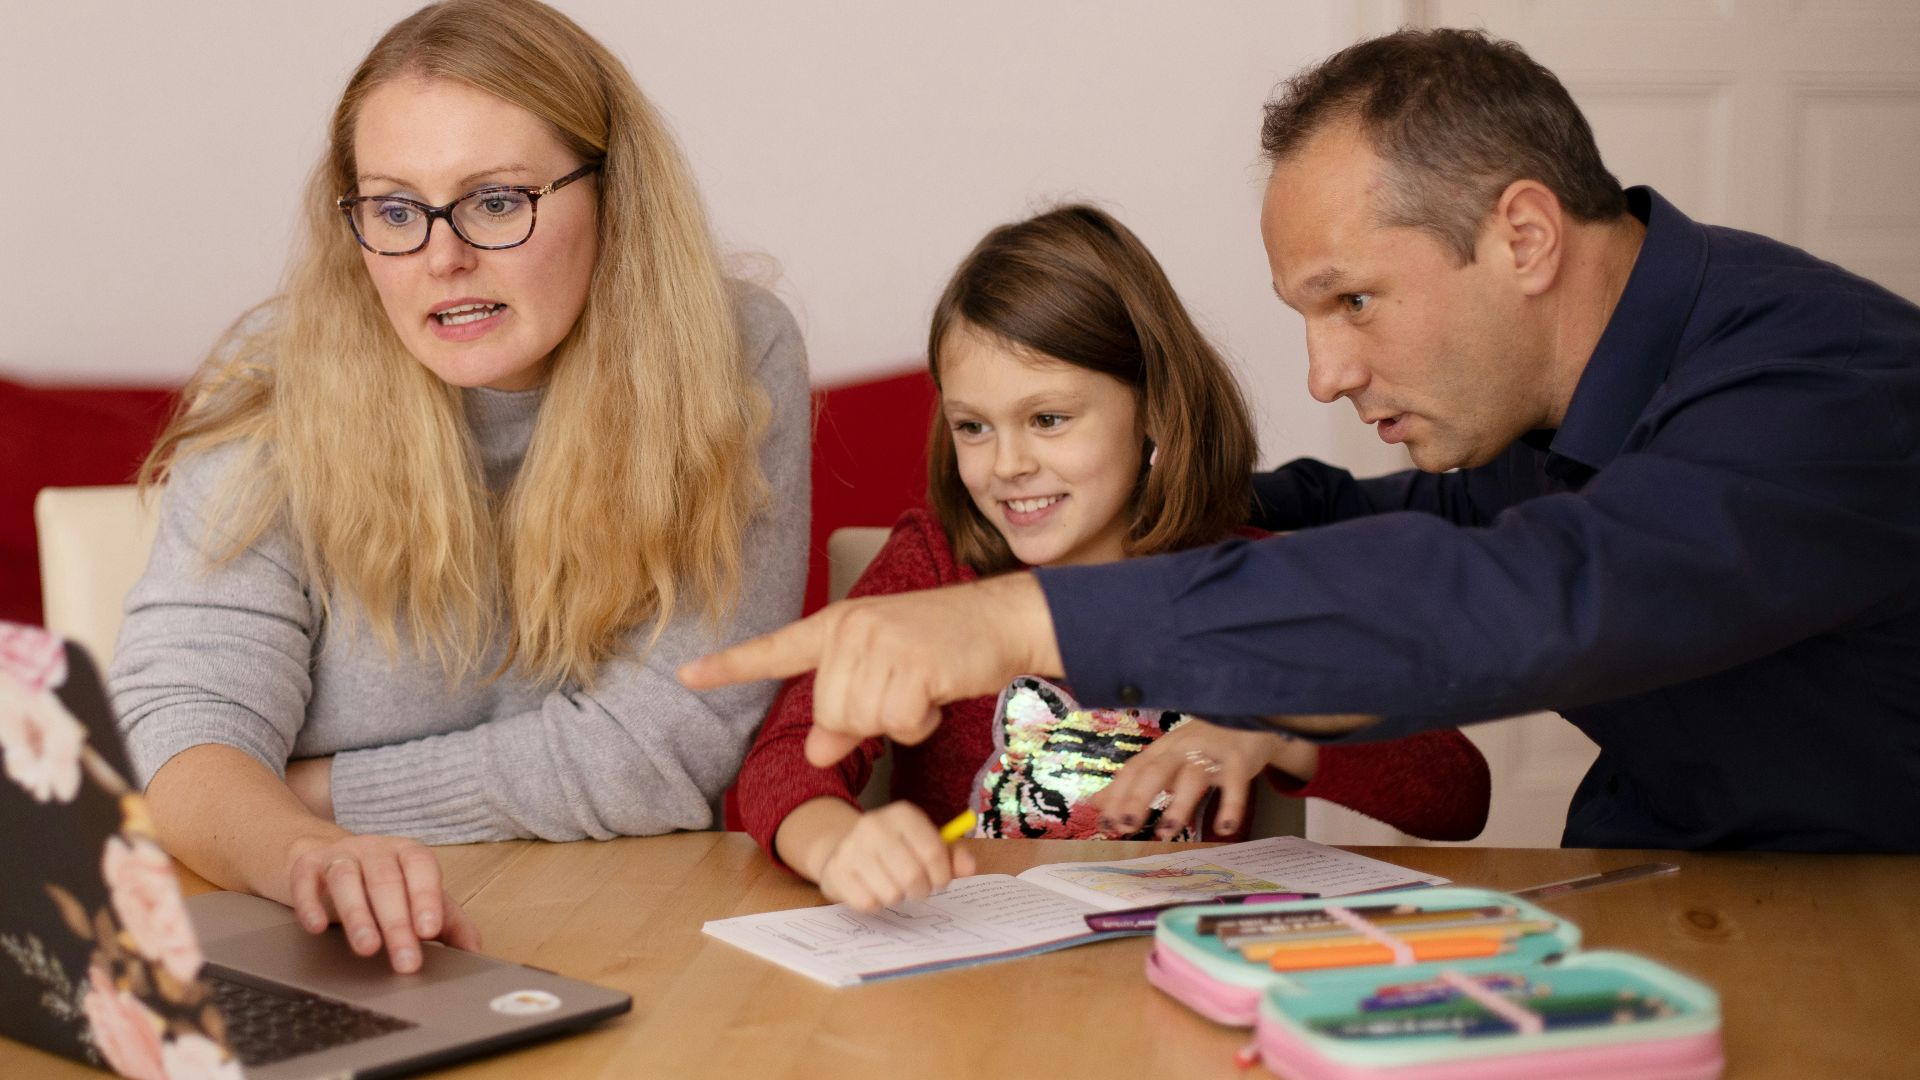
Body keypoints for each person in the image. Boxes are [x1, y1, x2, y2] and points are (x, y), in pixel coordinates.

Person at [684, 28, 1920, 854]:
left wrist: (1021, 620)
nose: (1327, 373)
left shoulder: (1826, 389)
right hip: (1660, 884)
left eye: (1355, 302)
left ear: (1525, 237)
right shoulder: (1537, 415)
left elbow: (1533, 593)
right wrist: (1122, 522)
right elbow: (1353, 521)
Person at [110, 0, 809, 973]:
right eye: (395, 209)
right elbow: (181, 740)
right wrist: (305, 847)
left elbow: (671, 752)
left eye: (495, 200)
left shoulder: (732, 354)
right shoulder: (276, 383)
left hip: (630, 936)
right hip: (325, 940)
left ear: (615, 196)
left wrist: (306, 790)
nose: (442, 256)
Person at [735, 206, 1489, 912]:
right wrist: (838, 843)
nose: (1008, 464)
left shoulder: (1246, 584)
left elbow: (1458, 793)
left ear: (1154, 410)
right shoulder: (933, 565)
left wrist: (1280, 726)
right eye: (973, 427)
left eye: (1049, 418)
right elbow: (780, 763)